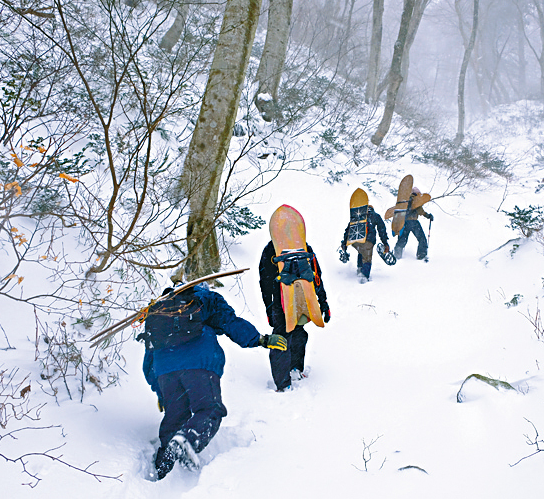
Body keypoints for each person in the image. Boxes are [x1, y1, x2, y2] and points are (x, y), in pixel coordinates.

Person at [140, 283, 286, 479]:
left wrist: (159, 390)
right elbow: (230, 322)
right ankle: (188, 440)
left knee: (175, 416)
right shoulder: (206, 298)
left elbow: (149, 357)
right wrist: (260, 339)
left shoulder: (161, 308)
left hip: (164, 369)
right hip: (199, 362)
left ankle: (163, 468)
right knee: (209, 409)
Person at [259, 241, 330, 392]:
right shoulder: (304, 246)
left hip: (281, 301)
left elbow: (264, 280)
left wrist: (269, 307)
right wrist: (323, 302)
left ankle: (284, 381)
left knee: (281, 335)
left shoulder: (271, 250)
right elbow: (317, 277)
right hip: (301, 298)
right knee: (297, 331)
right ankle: (294, 369)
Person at [340, 204, 390, 282]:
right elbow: (382, 230)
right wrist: (385, 243)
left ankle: (360, 268)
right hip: (368, 241)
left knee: (361, 251)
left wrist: (344, 243)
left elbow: (349, 229)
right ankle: (364, 277)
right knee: (367, 258)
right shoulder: (375, 216)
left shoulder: (358, 216)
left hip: (356, 241)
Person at [393, 187, 433, 260]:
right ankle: (421, 254)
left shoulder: (405, 200)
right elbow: (420, 211)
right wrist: (428, 216)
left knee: (402, 239)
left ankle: (397, 254)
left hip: (404, 222)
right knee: (421, 239)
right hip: (413, 222)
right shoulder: (416, 200)